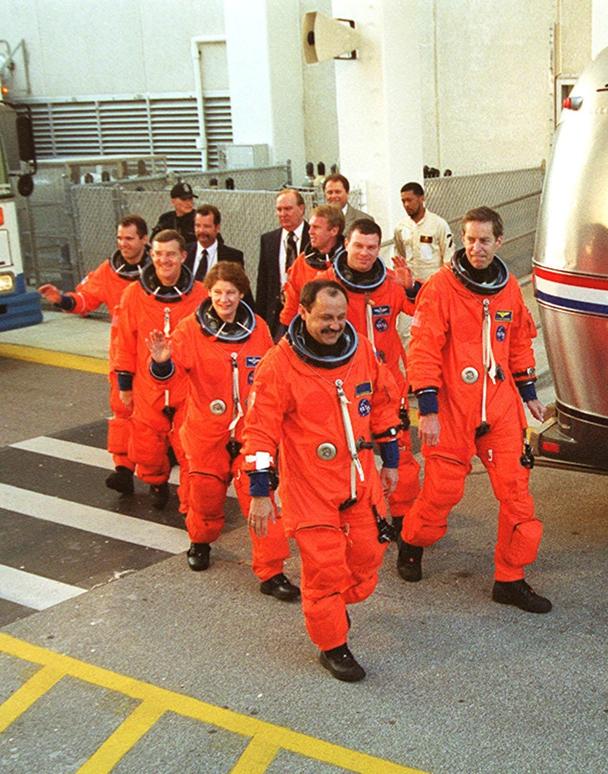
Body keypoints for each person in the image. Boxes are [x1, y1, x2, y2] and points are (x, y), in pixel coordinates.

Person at [242, 279, 402, 681]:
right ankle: (333, 645)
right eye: (324, 318)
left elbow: (382, 402)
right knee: (325, 570)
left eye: (339, 317)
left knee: (367, 562)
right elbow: (259, 433)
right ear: (303, 313)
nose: (334, 326)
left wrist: (392, 460)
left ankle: (332, 604)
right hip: (308, 489)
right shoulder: (278, 367)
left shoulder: (361, 349)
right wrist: (260, 494)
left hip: (358, 480)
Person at [401, 207, 550, 613]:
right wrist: (427, 409)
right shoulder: (440, 288)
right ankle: (412, 541)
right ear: (460, 240)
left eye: (484, 240)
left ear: (499, 241)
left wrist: (529, 391)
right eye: (469, 239)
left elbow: (518, 342)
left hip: (499, 407)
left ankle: (510, 578)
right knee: (442, 491)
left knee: (517, 493)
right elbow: (424, 349)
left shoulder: (508, 291)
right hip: (451, 407)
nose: (476, 247)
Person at [145, 261, 297, 600]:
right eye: (217, 293)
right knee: (204, 498)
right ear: (209, 294)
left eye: (230, 293)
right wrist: (161, 362)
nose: (224, 299)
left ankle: (271, 572)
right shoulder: (189, 330)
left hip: (249, 433)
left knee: (262, 501)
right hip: (205, 433)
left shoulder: (256, 328)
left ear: (241, 293)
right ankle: (200, 541)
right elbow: (169, 378)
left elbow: (271, 374)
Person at [316, 218, 421, 571]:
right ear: (346, 243)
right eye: (358, 246)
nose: (364, 253)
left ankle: (408, 535)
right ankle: (342, 527)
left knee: (402, 460)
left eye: (371, 247)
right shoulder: (324, 286)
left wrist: (410, 289)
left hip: (388, 389)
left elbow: (421, 308)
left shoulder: (390, 285)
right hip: (342, 391)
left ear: (380, 249)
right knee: (344, 460)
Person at [39, 215, 150, 494]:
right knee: (122, 411)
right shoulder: (108, 271)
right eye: (120, 239)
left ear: (144, 240)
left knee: (159, 415)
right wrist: (61, 299)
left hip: (155, 355)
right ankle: (123, 469)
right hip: (123, 354)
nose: (123, 244)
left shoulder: (161, 268)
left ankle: (158, 473)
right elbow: (84, 300)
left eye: (129, 238)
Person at [111, 229, 209, 508]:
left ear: (183, 257)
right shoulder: (133, 294)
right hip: (147, 386)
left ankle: (191, 503)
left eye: (170, 254)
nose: (164, 260)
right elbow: (124, 341)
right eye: (158, 254)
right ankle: (156, 482)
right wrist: (124, 385)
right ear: (151, 255)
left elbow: (208, 344)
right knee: (148, 447)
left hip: (186, 386)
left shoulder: (200, 295)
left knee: (189, 446)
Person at [278, 204, 345, 328]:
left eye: (316, 227)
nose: (310, 232)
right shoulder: (301, 263)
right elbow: (291, 308)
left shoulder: (349, 264)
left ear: (334, 231)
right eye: (310, 227)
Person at [255, 188, 310, 337]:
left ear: (301, 208)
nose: (282, 214)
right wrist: (260, 320)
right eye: (279, 209)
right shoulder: (269, 240)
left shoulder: (314, 237)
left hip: (306, 312)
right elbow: (263, 283)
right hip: (276, 315)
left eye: (288, 209)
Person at [393, 182, 453, 283]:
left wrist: (444, 283)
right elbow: (400, 255)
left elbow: (448, 256)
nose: (406, 205)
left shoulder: (439, 224)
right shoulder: (401, 227)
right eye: (403, 201)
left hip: (433, 284)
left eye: (409, 200)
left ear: (421, 198)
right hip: (410, 285)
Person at [187, 204, 245, 283]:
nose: (201, 230)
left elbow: (242, 289)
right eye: (197, 226)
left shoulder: (232, 257)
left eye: (206, 226)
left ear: (217, 228)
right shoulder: (184, 253)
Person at [152, 182, 198, 247]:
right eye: (184, 199)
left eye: (190, 199)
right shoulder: (166, 219)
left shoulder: (198, 218)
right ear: (173, 201)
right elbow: (154, 241)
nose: (188, 203)